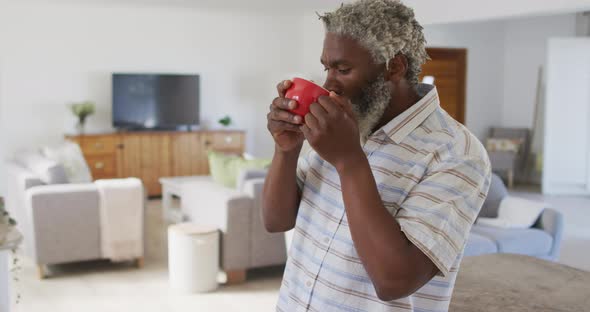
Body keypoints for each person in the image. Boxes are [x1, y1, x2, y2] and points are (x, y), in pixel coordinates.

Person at [263, 0, 491, 311]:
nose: (328, 83)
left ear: (394, 67)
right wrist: (286, 150)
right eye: (326, 67)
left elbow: (394, 281)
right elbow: (276, 221)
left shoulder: (457, 154)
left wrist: (349, 162)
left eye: (343, 69)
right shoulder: (342, 125)